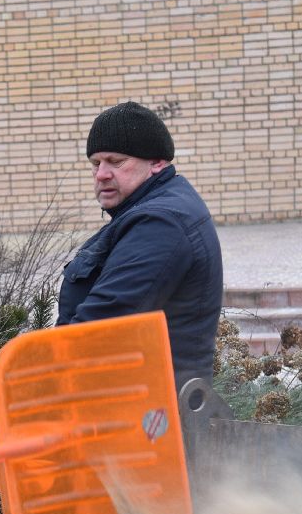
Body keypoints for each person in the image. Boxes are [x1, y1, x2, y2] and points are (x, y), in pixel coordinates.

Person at [56, 101, 224, 388]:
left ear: (157, 162)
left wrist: (44, 375)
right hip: (140, 404)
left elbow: (98, 332)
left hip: (149, 416)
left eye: (116, 161)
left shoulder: (161, 224)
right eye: (96, 164)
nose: (101, 174)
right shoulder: (150, 210)